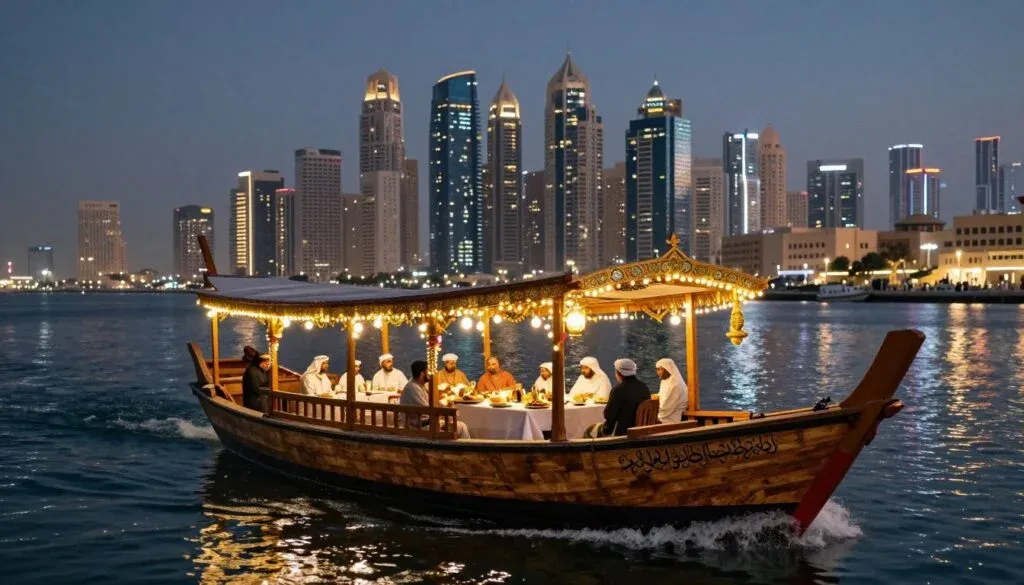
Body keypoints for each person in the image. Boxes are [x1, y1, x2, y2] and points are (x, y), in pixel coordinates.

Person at [400, 360, 471, 439]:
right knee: (458, 427)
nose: (429, 374)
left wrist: (446, 407)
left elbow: (433, 402)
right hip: (418, 426)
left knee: (461, 426)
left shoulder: (419, 385)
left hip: (427, 422)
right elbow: (427, 409)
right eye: (428, 371)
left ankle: (466, 450)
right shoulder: (412, 388)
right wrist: (445, 413)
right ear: (422, 373)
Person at [585, 358, 651, 438]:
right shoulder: (644, 387)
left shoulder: (618, 390)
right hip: (642, 430)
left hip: (622, 431)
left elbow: (608, 415)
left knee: (589, 430)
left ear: (618, 373)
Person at [655, 358, 687, 424]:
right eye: (657, 370)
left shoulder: (675, 384)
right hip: (664, 415)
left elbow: (667, 406)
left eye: (659, 369)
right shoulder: (665, 381)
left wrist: (656, 417)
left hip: (671, 419)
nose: (658, 372)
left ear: (667, 369)